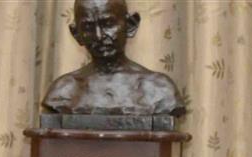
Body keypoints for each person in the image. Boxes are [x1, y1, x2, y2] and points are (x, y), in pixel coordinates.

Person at [41, 0, 184, 118]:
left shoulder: (159, 90)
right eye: (88, 27)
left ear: (130, 25)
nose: (99, 36)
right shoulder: (62, 92)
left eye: (108, 24)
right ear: (76, 34)